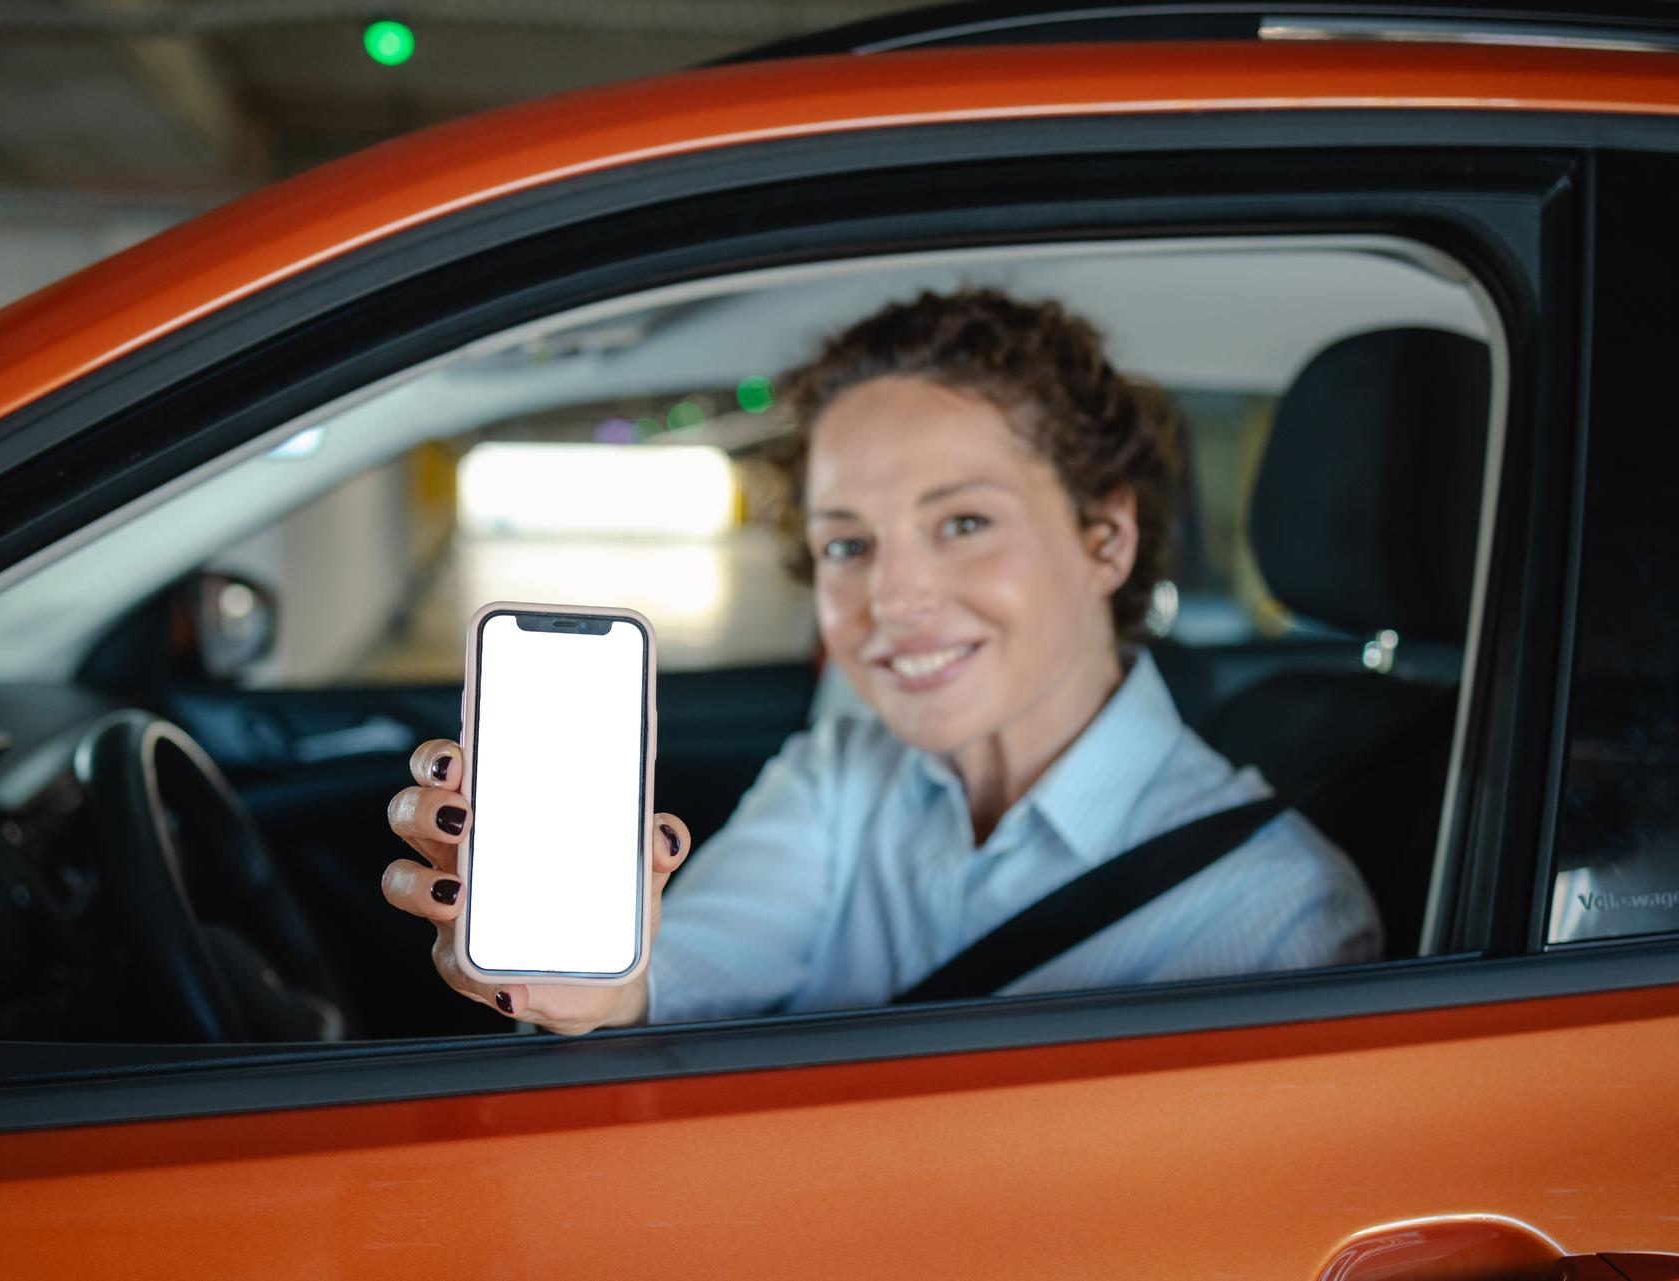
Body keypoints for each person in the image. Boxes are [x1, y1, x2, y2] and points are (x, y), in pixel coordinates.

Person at [382, 288, 1382, 1035]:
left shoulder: (1278, 914)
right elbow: (676, 978)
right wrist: (591, 992)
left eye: (963, 521)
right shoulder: (841, 774)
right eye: (847, 545)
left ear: (1105, 541)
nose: (892, 601)